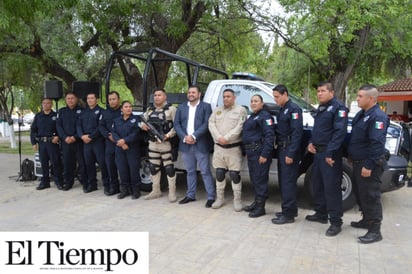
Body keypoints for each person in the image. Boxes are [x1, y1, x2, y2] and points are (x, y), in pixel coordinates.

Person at [306, 81, 348, 236]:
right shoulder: (321, 108)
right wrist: (311, 142)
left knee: (331, 188)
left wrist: (330, 153)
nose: (319, 94)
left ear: (331, 92)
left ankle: (336, 222)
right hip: (318, 153)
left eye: (323, 91)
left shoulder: (339, 108)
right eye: (318, 91)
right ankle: (321, 213)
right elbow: (317, 130)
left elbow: (339, 133)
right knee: (317, 185)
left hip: (330, 154)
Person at [348, 85, 389, 244]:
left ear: (371, 99)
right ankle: (366, 220)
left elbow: (377, 144)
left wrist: (370, 165)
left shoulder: (377, 116)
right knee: (361, 194)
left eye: (360, 96)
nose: (357, 99)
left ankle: (375, 231)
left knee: (371, 196)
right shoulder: (362, 114)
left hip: (369, 164)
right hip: (358, 162)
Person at [174, 85, 215, 207]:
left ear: (199, 94)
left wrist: (194, 136)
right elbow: (177, 124)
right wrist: (185, 137)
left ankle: (211, 197)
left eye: (193, 92)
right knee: (190, 171)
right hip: (186, 144)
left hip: (200, 144)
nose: (191, 94)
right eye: (189, 92)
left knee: (205, 172)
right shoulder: (181, 107)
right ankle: (190, 195)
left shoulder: (206, 107)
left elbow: (206, 123)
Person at [208, 88, 247, 212]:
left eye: (228, 96)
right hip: (219, 148)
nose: (226, 99)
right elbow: (211, 123)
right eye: (224, 96)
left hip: (233, 149)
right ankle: (219, 199)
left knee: (234, 175)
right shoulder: (217, 110)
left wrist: (227, 138)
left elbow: (239, 127)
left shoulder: (241, 110)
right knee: (219, 173)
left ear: (234, 98)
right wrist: (219, 137)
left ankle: (237, 200)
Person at [271, 85, 303, 224]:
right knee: (284, 182)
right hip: (282, 149)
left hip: (289, 150)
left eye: (277, 96)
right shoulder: (283, 109)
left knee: (288, 183)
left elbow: (297, 134)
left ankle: (288, 215)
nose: (275, 99)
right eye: (274, 96)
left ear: (285, 94)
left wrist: (291, 153)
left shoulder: (294, 109)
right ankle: (289, 209)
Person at [141, 88, 177, 202]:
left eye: (159, 95)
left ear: (165, 96)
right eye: (155, 95)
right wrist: (143, 125)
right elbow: (142, 121)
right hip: (152, 143)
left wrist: (168, 135)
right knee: (153, 167)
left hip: (165, 142)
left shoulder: (171, 109)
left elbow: (177, 125)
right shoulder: (150, 110)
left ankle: (172, 192)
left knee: (169, 168)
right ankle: (156, 191)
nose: (157, 97)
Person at [242, 95, 274, 217]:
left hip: (260, 153)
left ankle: (261, 208)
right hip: (251, 152)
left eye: (256, 101)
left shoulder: (265, 116)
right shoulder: (254, 116)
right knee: (255, 179)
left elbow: (270, 136)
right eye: (252, 101)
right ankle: (256, 203)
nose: (253, 103)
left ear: (262, 103)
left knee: (260, 180)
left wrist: (264, 154)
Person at [76, 92, 109, 193]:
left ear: (97, 100)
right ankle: (92, 184)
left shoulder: (102, 111)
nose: (90, 100)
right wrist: (82, 136)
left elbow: (101, 127)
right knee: (89, 164)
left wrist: (91, 136)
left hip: (97, 141)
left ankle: (107, 185)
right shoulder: (83, 112)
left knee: (103, 164)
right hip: (86, 142)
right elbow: (78, 126)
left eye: (92, 98)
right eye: (88, 98)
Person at [30, 98, 63, 190]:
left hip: (52, 143)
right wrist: (33, 142)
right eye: (44, 103)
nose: (45, 105)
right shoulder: (38, 116)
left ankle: (59, 181)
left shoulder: (56, 116)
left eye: (48, 103)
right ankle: (45, 182)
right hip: (42, 144)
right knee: (43, 163)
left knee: (55, 163)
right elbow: (33, 130)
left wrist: (58, 137)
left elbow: (60, 129)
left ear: (51, 105)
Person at [56, 92, 87, 191]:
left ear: (76, 99)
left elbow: (83, 127)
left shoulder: (82, 111)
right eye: (68, 98)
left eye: (72, 98)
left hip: (78, 141)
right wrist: (64, 137)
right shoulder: (61, 111)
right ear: (65, 100)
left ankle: (85, 182)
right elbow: (59, 126)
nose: (70, 100)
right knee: (68, 163)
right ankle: (68, 183)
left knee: (82, 163)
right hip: (66, 142)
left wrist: (75, 137)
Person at [111, 101, 141, 200]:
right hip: (120, 148)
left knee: (133, 170)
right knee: (122, 169)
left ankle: (135, 191)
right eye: (126, 107)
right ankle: (124, 190)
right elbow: (114, 133)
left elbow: (136, 133)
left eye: (130, 106)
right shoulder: (116, 120)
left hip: (132, 148)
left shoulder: (136, 119)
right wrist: (120, 142)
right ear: (122, 109)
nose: (128, 108)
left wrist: (125, 141)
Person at [99, 91, 121, 196]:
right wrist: (108, 135)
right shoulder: (105, 113)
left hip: (121, 143)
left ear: (118, 100)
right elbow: (101, 126)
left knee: (122, 166)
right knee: (110, 166)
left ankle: (126, 187)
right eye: (110, 100)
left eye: (114, 99)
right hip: (109, 143)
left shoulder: (123, 111)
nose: (112, 101)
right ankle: (114, 187)